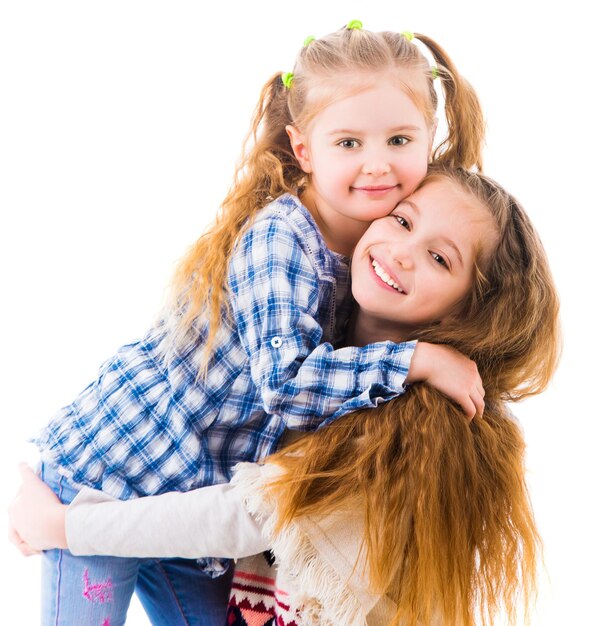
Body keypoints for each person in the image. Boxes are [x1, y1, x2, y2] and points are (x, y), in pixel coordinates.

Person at [23, 21, 488, 626]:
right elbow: (287, 384)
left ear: (431, 140)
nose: (377, 164)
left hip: (189, 502)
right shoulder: (281, 239)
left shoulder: (374, 254)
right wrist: (417, 360)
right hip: (111, 472)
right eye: (348, 143)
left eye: (399, 139)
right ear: (304, 150)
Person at [11, 165, 561, 626]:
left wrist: (64, 525)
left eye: (441, 258)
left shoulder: (413, 419)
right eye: (401, 219)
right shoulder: (320, 326)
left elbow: (240, 514)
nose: (401, 251)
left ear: (467, 316)